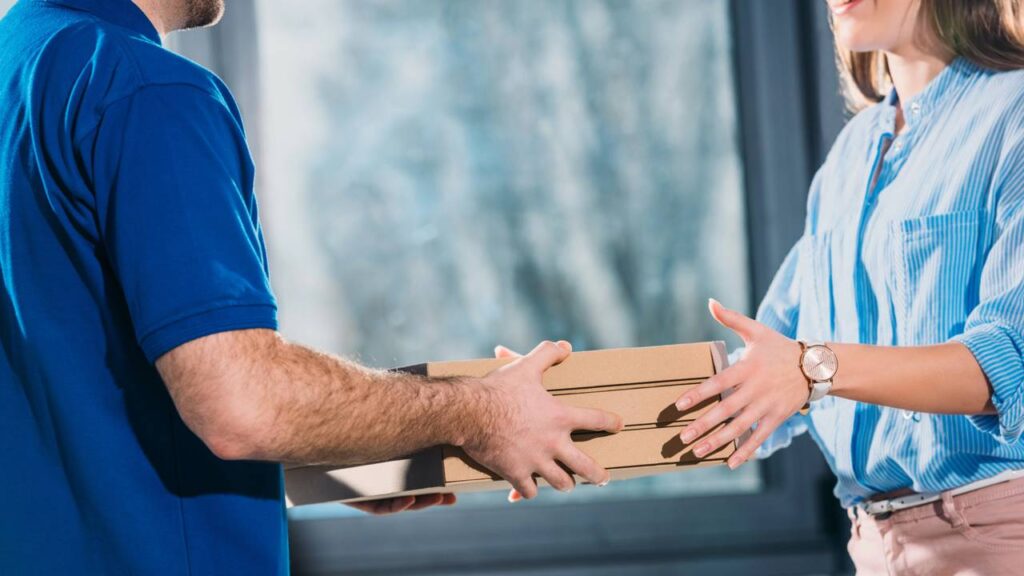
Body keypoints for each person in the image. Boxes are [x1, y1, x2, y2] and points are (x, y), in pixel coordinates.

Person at [0, 0, 624, 574]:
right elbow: (238, 405)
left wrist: (333, 450)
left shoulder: (19, 63)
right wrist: (482, 412)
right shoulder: (147, 90)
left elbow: (75, 384)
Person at [670, 0, 1024, 573]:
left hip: (994, 543)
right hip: (873, 548)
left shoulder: (1016, 113)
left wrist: (815, 368)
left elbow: (1010, 364)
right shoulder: (849, 159)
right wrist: (566, 406)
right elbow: (769, 369)